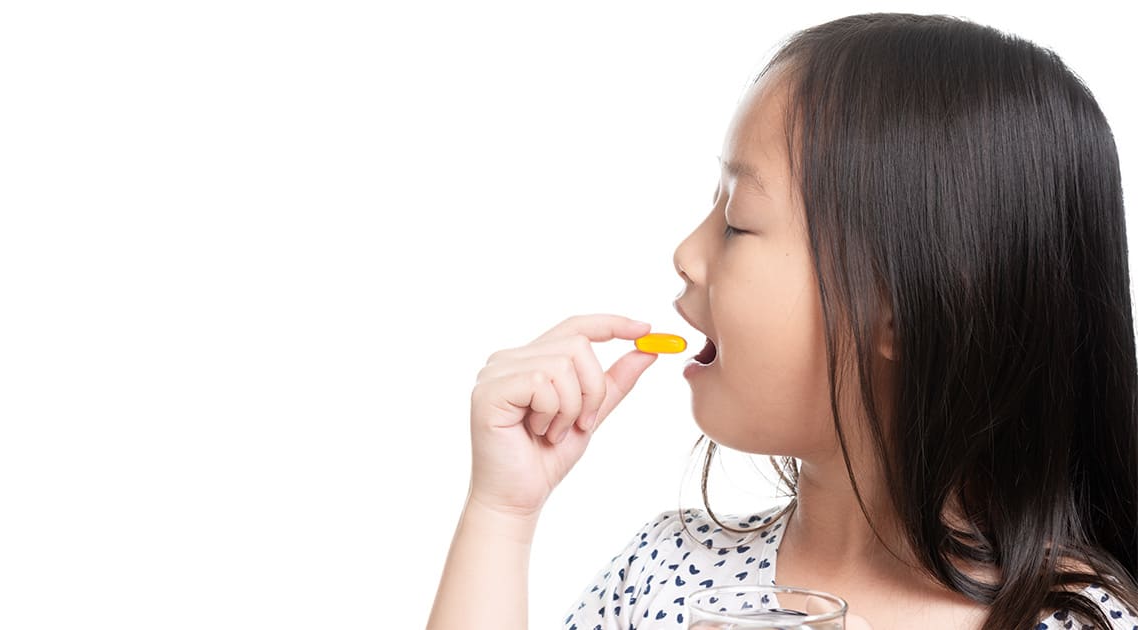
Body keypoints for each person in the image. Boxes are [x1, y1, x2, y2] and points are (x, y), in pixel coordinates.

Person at [427, 12, 1138, 630]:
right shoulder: (666, 573)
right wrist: (502, 513)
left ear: (901, 308)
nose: (685, 253)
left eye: (737, 221)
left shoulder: (1078, 620)